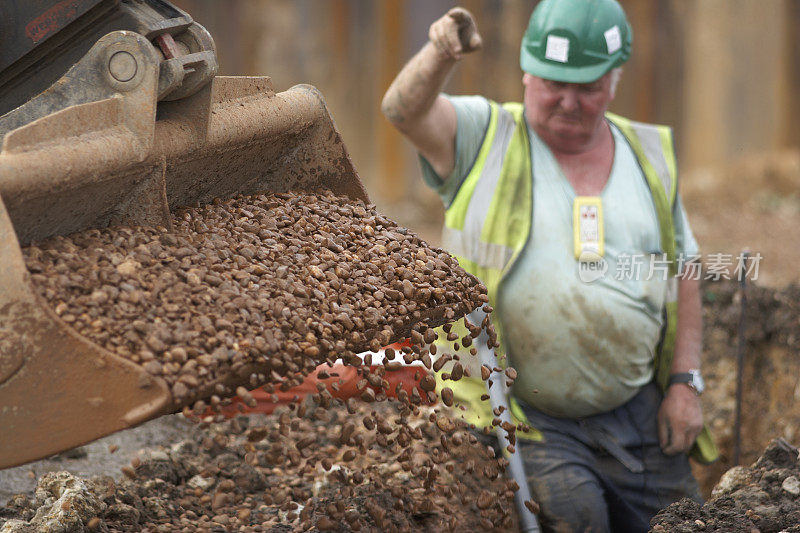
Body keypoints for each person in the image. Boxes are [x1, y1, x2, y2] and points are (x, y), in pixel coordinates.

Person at [381, 0, 718, 531]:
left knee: (687, 523)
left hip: (637, 411)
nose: (568, 101)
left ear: (615, 78)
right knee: (578, 517)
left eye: (587, 87)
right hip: (531, 417)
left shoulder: (649, 155)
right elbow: (403, 111)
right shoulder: (483, 136)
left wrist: (684, 383)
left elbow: (686, 269)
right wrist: (441, 52)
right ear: (525, 74)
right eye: (552, 84)